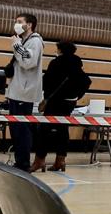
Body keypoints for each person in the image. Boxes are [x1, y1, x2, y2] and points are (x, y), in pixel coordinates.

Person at [31, 41, 91, 173]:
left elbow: (47, 82)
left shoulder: (56, 63)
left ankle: (39, 160)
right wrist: (77, 96)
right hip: (70, 102)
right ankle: (60, 160)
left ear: (60, 50)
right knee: (63, 130)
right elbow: (86, 81)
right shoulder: (77, 64)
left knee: (44, 130)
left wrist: (46, 97)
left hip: (55, 101)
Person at [7, 13, 43, 172]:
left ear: (29, 25)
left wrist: (16, 45)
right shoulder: (25, 41)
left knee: (22, 129)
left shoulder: (35, 41)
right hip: (17, 90)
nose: (16, 24)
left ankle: (23, 162)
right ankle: (20, 160)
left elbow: (29, 62)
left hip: (24, 91)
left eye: (20, 22)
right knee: (16, 129)